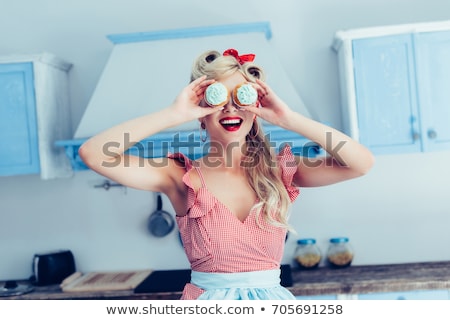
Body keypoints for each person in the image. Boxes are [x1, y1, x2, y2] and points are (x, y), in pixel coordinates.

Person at [79, 48, 374, 300]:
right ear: (201, 112)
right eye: (217, 98)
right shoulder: (178, 176)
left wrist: (289, 119)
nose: (230, 107)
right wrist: (173, 114)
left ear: (254, 108)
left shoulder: (280, 170)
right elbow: (94, 154)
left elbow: (361, 163)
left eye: (240, 96)